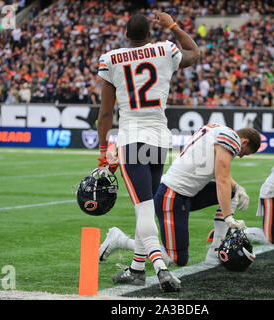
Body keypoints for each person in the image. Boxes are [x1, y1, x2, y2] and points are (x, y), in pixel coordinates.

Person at [96, 11, 200, 292]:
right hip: (160, 140)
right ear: (150, 35)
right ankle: (137, 269)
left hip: (133, 139)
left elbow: (106, 113)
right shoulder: (165, 48)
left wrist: (104, 149)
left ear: (126, 35)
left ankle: (161, 269)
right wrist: (173, 26)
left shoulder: (111, 58)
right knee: (148, 209)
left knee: (143, 210)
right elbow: (194, 53)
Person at [99, 125, 261, 268]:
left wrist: (237, 187)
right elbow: (222, 179)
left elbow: (218, 171)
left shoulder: (218, 130)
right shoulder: (230, 139)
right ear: (244, 142)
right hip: (172, 196)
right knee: (176, 259)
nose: (240, 156)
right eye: (244, 153)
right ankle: (120, 240)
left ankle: (215, 251)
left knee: (232, 192)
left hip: (187, 193)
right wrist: (228, 216)